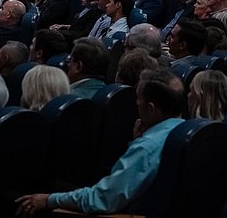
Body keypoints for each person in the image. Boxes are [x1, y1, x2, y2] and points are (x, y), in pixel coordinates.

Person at [16, 69, 187, 216]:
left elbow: (102, 199)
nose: (136, 103)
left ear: (150, 108)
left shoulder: (148, 147)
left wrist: (49, 199)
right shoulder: (185, 132)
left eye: (138, 98)